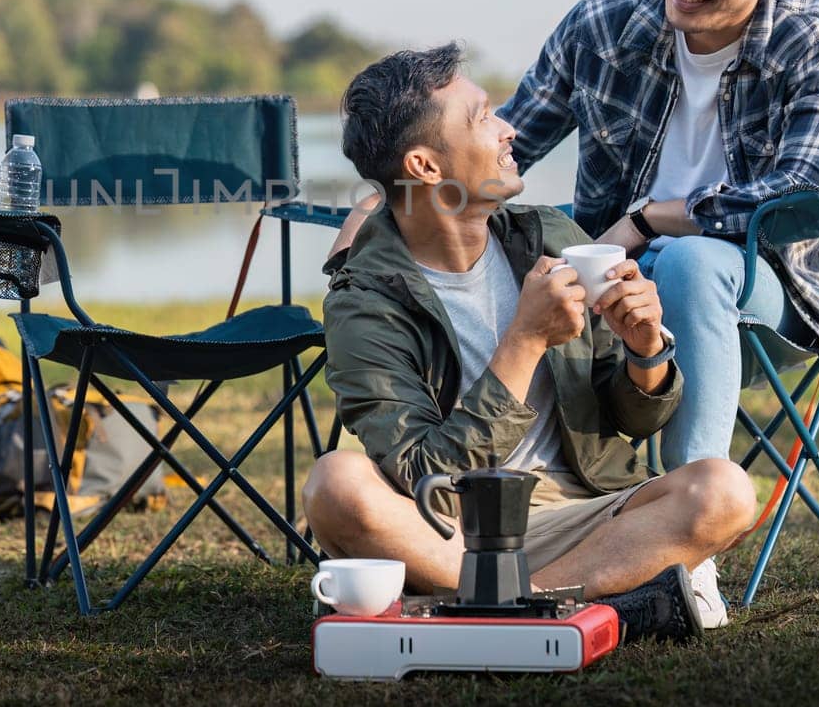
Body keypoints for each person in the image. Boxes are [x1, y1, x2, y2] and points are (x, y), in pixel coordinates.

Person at [330, 0, 819, 474]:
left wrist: (656, 218)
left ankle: (685, 538)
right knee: (530, 256)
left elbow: (807, 198)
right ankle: (484, 487)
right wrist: (382, 200)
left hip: (770, 291)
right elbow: (502, 144)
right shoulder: (605, 22)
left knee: (692, 262)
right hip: (609, 289)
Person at [302, 45, 755, 640]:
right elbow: (423, 474)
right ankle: (584, 604)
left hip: (585, 515)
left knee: (723, 490)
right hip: (451, 531)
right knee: (335, 484)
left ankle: (511, 607)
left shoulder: (550, 237)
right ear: (425, 167)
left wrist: (646, 351)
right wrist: (525, 340)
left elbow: (634, 418)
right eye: (484, 117)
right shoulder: (366, 300)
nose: (508, 130)